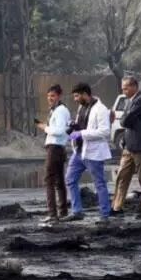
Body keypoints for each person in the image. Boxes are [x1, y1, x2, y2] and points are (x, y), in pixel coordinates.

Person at [61, 83, 112, 223]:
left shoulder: (100, 109)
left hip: (93, 152)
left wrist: (81, 133)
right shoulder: (81, 107)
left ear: (85, 94)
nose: (76, 99)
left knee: (99, 183)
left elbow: (104, 131)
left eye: (77, 96)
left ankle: (104, 214)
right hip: (79, 151)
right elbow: (81, 126)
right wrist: (73, 128)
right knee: (70, 179)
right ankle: (77, 211)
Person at [111, 77, 141, 220]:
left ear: (134, 86)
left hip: (140, 146)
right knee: (121, 177)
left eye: (126, 88)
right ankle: (117, 207)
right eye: (123, 88)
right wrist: (124, 121)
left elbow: (125, 120)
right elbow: (125, 120)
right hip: (129, 145)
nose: (123, 91)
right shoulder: (130, 101)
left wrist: (124, 120)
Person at [36, 84, 71, 224]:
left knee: (49, 180)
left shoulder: (60, 111)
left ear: (59, 96)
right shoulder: (56, 110)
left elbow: (60, 131)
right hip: (57, 147)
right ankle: (62, 212)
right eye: (48, 96)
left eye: (53, 96)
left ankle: (52, 214)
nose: (50, 98)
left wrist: (45, 127)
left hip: (55, 148)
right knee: (59, 181)